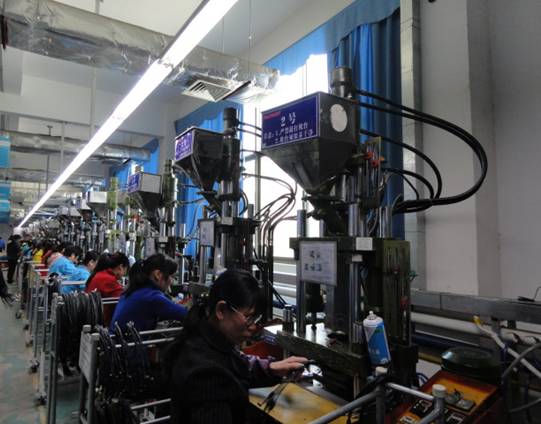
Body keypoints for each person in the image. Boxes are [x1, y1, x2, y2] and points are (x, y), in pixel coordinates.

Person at [164, 269, 308, 423]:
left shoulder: (205, 339)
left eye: (256, 318)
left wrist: (271, 368)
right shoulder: (207, 374)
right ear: (221, 310)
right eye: (248, 317)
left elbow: (237, 363)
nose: (253, 327)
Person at [110, 254, 188, 332]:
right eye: (172, 276)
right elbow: (187, 315)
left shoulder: (134, 290)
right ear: (158, 274)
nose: (172, 281)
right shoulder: (152, 297)